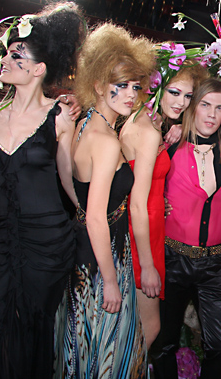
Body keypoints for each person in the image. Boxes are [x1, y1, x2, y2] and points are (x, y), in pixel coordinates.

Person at [0, 3, 86, 379]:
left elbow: (70, 180)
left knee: (32, 330)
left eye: (17, 54)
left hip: (46, 246)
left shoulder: (60, 116)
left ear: (40, 69)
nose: (5, 60)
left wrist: (103, 216)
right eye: (7, 53)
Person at [56, 23, 155, 378]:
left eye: (135, 86)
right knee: (105, 353)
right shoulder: (107, 142)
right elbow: (97, 217)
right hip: (102, 262)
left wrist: (82, 209)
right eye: (121, 85)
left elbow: (67, 177)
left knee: (84, 349)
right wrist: (111, 280)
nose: (131, 94)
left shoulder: (84, 125)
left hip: (88, 251)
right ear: (98, 85)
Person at [151, 78, 221, 379]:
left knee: (220, 346)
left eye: (220, 108)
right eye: (205, 105)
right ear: (192, 107)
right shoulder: (169, 147)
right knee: (164, 342)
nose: (212, 114)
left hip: (215, 265)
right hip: (172, 260)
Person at [119, 61, 208, 348]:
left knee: (136, 327)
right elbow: (137, 204)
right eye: (174, 92)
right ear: (155, 87)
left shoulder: (149, 122)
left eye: (188, 95)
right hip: (143, 230)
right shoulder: (148, 131)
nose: (181, 102)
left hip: (151, 223)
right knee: (149, 329)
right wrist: (147, 265)